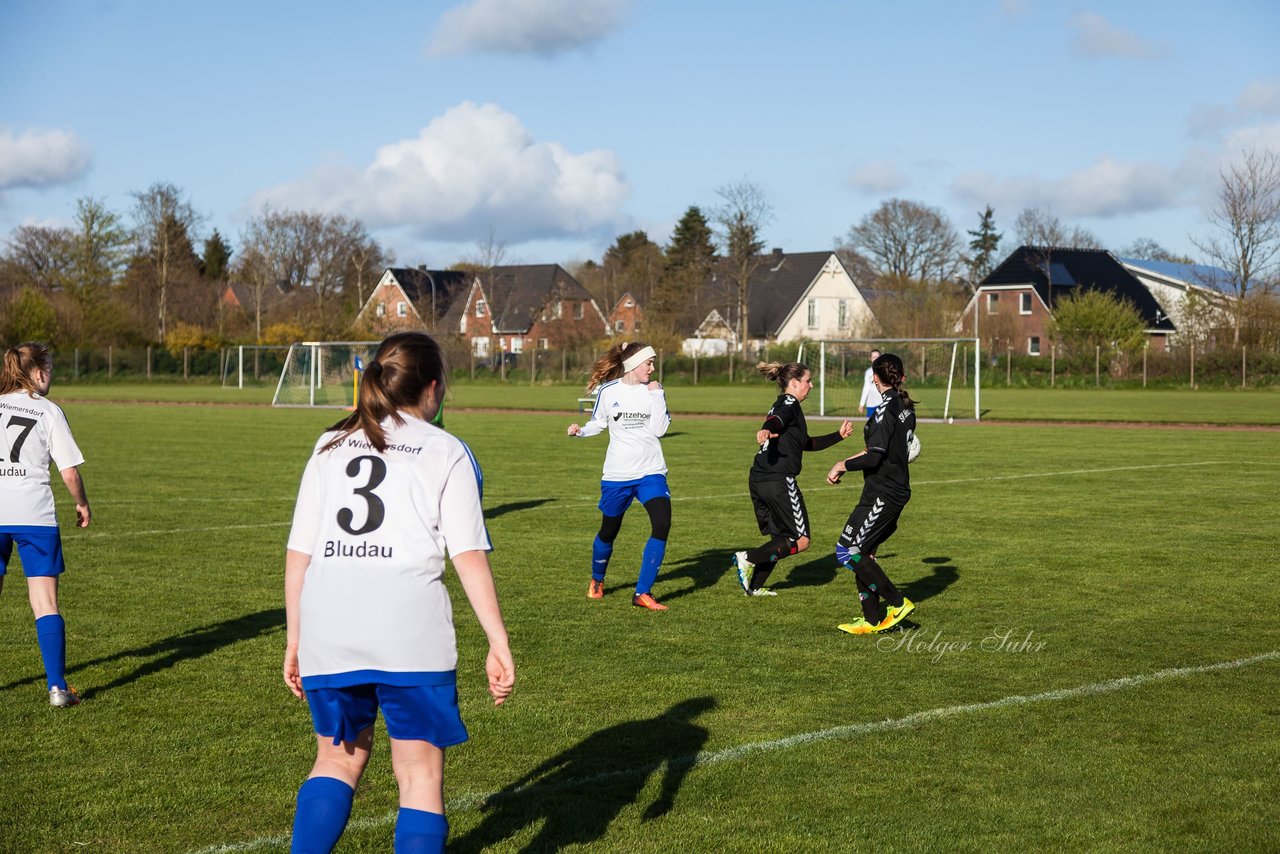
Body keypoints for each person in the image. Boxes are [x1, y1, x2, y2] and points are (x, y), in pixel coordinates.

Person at [283, 332, 514, 854]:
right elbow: (468, 555)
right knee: (419, 777)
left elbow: (300, 554)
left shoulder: (329, 443)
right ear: (432, 388)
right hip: (408, 629)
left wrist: (295, 638)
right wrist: (497, 641)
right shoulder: (446, 449)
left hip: (329, 625)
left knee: (336, 761)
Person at [0, 343, 90, 708]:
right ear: (37, 372)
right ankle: (57, 689)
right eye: (50, 368)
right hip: (34, 515)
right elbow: (68, 471)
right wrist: (82, 503)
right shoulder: (49, 412)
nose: (51, 375)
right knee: (45, 602)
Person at [567, 342, 672, 611]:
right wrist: (581, 431)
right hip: (618, 474)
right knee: (608, 531)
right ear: (633, 364)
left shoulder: (654, 392)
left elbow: (660, 430)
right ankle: (597, 579)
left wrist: (657, 395)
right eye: (648, 362)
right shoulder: (608, 391)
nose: (652, 367)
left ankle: (642, 593)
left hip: (651, 472)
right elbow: (599, 423)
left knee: (662, 524)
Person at [732, 362, 853, 596]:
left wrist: (838, 436)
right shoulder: (788, 403)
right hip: (778, 480)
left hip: (761, 478)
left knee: (780, 538)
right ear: (794, 383)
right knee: (801, 539)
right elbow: (777, 418)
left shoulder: (788, 406)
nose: (811, 385)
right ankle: (747, 558)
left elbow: (806, 443)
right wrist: (767, 428)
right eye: (808, 380)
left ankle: (755, 586)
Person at [826, 352, 918, 635]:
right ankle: (871, 620)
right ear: (900, 377)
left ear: (874, 378)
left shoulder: (883, 412)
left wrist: (842, 464)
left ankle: (896, 602)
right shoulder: (905, 404)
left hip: (883, 493)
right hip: (893, 489)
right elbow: (885, 449)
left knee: (846, 551)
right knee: (863, 553)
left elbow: (874, 457)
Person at [859, 348, 883, 420]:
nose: (876, 359)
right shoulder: (868, 372)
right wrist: (861, 404)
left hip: (882, 402)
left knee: (882, 426)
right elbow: (866, 388)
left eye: (877, 357)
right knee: (870, 427)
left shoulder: (885, 371)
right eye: (874, 357)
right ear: (870, 358)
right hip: (871, 404)